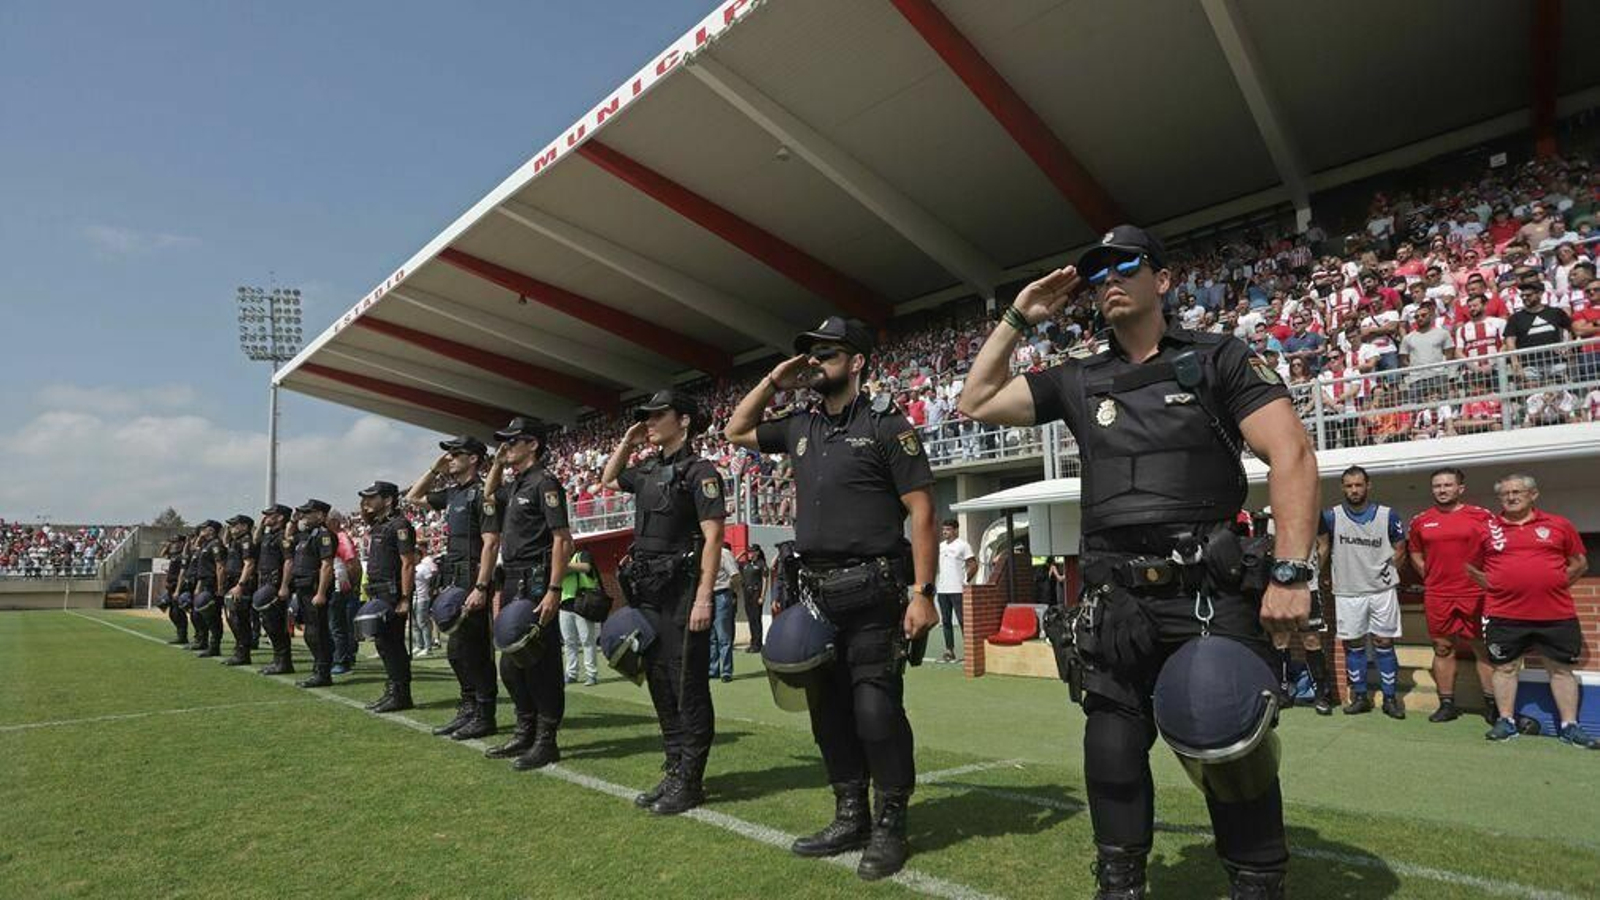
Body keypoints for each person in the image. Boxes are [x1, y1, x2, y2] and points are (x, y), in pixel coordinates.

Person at [956, 226, 1317, 899]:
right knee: (1112, 750)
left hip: (1209, 592)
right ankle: (1120, 883)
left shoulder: (1220, 359)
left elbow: (1291, 455)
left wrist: (1293, 573)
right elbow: (973, 401)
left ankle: (1258, 884)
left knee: (1229, 739)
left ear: (1164, 279)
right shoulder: (1078, 378)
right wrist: (1017, 317)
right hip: (1116, 601)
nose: (1110, 279)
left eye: (1127, 264)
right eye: (1097, 273)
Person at [727, 316, 938, 882]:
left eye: (827, 353)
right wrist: (776, 378)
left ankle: (891, 822)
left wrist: (923, 592)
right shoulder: (799, 424)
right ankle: (851, 814)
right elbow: (735, 430)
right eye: (811, 354)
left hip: (875, 592)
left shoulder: (888, 426)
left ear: (858, 361)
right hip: (816, 594)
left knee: (875, 712)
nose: (815, 362)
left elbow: (921, 510)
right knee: (828, 714)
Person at [602, 390, 724, 814]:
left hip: (684, 591)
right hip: (649, 593)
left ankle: (691, 780)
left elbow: (713, 537)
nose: (650, 422)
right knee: (657, 680)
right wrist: (628, 441)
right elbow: (607, 479)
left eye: (658, 415)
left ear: (684, 420)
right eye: (646, 417)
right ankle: (674, 767)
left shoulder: (700, 471)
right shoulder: (648, 468)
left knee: (686, 686)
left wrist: (705, 597)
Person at [1468, 474, 1597, 748]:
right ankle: (1506, 721)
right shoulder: (1486, 529)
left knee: (1561, 670)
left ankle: (1570, 726)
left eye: (1518, 492)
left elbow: (1579, 563)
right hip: (1503, 614)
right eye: (1505, 494)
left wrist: (1556, 584)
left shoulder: (1558, 525)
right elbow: (1471, 567)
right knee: (1505, 668)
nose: (1512, 497)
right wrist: (1495, 586)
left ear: (1533, 494)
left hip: (1555, 614)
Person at [482, 418, 572, 771]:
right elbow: (489, 494)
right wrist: (497, 461)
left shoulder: (544, 482)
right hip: (513, 579)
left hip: (536, 579)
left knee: (541, 662)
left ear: (533, 444)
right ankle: (525, 729)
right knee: (511, 664)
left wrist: (553, 589)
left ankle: (547, 740)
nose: (506, 447)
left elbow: (561, 539)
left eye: (513, 441)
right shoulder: (516, 482)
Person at [405, 435, 502, 740]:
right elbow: (413, 497)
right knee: (457, 652)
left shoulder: (481, 493)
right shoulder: (453, 494)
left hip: (473, 578)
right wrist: (435, 469)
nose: (450, 459)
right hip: (453, 577)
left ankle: (485, 715)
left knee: (475, 651)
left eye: (456, 454)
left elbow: (491, 542)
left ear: (474, 458)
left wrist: (482, 586)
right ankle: (469, 707)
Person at [1407, 468, 1498, 725]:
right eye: (1437, 486)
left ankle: (1492, 706)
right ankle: (1447, 704)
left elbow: (1496, 552)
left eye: (1448, 485)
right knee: (1443, 647)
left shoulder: (1482, 516)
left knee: (1482, 648)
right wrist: (1430, 575)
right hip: (1438, 595)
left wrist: (1487, 579)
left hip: (1475, 594)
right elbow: (1415, 552)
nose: (1442, 490)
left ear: (1461, 488)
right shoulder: (1421, 520)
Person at [1319, 466, 1407, 720]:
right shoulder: (1331, 516)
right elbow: (1323, 548)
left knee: (1384, 642)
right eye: (1348, 485)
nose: (1354, 490)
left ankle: (1390, 698)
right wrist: (1323, 575)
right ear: (1342, 488)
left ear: (1368, 486)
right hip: (1348, 591)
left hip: (1381, 591)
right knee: (1354, 644)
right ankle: (1360, 696)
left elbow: (1400, 547)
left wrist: (1388, 573)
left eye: (1358, 485)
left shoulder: (1388, 515)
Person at [357, 481, 419, 713]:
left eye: (373, 497)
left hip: (391, 593)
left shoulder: (399, 525)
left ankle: (401, 693)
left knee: (393, 644)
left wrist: (404, 597)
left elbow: (407, 564)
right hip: (377, 590)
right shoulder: (379, 525)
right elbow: (366, 515)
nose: (368, 502)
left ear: (388, 500)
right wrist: (365, 504)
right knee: (383, 643)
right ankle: (393, 689)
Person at [285, 499, 337, 689]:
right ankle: (318, 668)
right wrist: (292, 521)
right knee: (310, 632)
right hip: (302, 588)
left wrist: (322, 592)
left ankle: (323, 672)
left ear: (321, 515)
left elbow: (327, 565)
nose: (304, 516)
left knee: (317, 633)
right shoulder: (305, 535)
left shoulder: (323, 535)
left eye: (308, 513)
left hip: (314, 588)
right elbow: (287, 540)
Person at [254, 505, 295, 676]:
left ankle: (283, 662)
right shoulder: (268, 535)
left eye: (270, 515)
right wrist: (261, 524)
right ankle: (278, 660)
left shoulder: (282, 538)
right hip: (265, 582)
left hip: (275, 584)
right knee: (268, 624)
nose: (266, 517)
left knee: (276, 625)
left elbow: (288, 561)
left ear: (280, 517)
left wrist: (284, 585)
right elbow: (255, 540)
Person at [219, 514, 259, 667]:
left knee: (239, 620)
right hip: (232, 582)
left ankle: (243, 653)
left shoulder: (246, 542)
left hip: (240, 584)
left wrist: (240, 585)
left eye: (235, 525)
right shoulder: (236, 541)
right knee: (233, 618)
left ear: (245, 526)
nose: (232, 528)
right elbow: (225, 541)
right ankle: (240, 650)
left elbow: (249, 564)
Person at [326, 512, 362, 676]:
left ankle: (342, 660)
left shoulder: (340, 538)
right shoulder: (334, 538)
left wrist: (353, 586)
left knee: (338, 626)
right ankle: (343, 657)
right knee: (339, 626)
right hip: (337, 587)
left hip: (340, 587)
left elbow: (352, 563)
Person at [935, 519, 976, 664]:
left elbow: (973, 565)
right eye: (944, 529)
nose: (945, 532)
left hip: (958, 590)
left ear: (955, 530)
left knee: (963, 621)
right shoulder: (940, 546)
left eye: (948, 529)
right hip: (942, 590)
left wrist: (965, 581)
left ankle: (970, 652)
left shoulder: (963, 546)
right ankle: (949, 651)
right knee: (946, 621)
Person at [559, 547, 600, 686]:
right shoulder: (559, 558)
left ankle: (591, 674)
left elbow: (586, 567)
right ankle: (571, 673)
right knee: (569, 642)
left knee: (587, 640)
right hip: (564, 605)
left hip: (583, 603)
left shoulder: (583, 554)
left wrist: (564, 567)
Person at [190, 520, 226, 659]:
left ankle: (214, 646)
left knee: (213, 617)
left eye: (205, 528)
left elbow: (220, 566)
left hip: (212, 584)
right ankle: (203, 641)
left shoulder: (216, 544)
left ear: (212, 530)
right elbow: (195, 549)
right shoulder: (206, 544)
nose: (202, 530)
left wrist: (220, 587)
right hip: (204, 583)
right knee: (201, 615)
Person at [708, 542, 740, 682]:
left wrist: (733, 594)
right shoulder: (705, 553)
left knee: (723, 636)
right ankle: (713, 669)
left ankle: (726, 671)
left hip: (722, 594)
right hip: (708, 596)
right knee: (711, 636)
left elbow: (735, 575)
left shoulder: (724, 554)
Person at [159, 535, 189, 645]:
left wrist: (177, 590)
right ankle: (180, 634)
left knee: (178, 612)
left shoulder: (183, 555)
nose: (174, 544)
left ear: (182, 543)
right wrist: (167, 546)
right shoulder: (174, 555)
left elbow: (182, 573)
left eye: (176, 542)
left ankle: (182, 636)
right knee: (172, 612)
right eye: (173, 542)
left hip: (178, 586)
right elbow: (162, 555)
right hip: (171, 586)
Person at [739, 545, 768, 653]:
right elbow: (733, 562)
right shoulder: (746, 564)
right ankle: (752, 643)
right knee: (751, 619)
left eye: (752, 552)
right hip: (747, 593)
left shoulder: (761, 564)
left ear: (757, 553)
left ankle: (758, 644)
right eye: (749, 552)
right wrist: (742, 554)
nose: (750, 554)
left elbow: (765, 580)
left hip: (756, 593)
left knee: (756, 619)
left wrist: (762, 596)